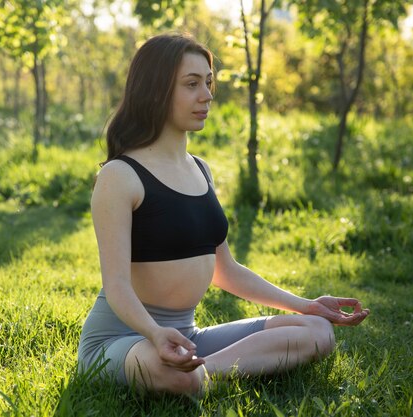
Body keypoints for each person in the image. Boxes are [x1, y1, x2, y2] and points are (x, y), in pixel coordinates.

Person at [78, 33, 369, 395]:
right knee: (175, 375)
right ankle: (192, 375)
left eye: (208, 82)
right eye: (192, 84)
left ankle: (202, 372)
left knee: (318, 332)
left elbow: (225, 270)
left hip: (188, 335)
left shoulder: (200, 169)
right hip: (122, 339)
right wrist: (154, 333)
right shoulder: (120, 176)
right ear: (155, 90)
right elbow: (116, 286)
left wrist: (306, 305)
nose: (207, 95)